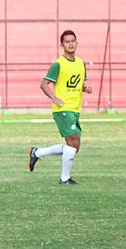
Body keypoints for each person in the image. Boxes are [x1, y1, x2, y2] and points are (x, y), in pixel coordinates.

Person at [28, 29, 92, 185]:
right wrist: (54, 97)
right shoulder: (58, 64)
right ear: (62, 45)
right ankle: (64, 179)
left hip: (75, 109)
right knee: (73, 143)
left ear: (77, 43)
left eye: (72, 41)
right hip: (63, 109)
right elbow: (44, 84)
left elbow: (76, 84)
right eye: (67, 41)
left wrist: (85, 89)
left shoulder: (81, 63)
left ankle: (37, 152)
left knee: (75, 147)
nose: (70, 44)